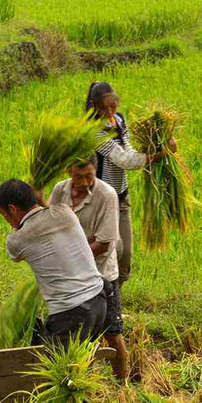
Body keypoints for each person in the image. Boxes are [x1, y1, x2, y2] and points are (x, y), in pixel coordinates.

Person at [0, 178, 106, 346]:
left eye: (4, 214)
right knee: (78, 360)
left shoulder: (17, 240)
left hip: (71, 312)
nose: (6, 219)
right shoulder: (65, 212)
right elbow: (45, 214)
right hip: (99, 300)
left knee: (54, 368)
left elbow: (16, 253)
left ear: (12, 209)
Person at [86, 82, 176, 286]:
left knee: (125, 253)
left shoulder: (119, 120)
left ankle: (116, 301)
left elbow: (129, 151)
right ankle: (103, 300)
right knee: (112, 251)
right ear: (95, 107)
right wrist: (159, 155)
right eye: (103, 108)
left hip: (121, 196)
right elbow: (123, 160)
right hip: (102, 200)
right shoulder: (93, 131)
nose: (109, 111)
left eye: (113, 105)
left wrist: (156, 147)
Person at [48, 155, 128, 378]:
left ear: (95, 171)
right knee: (80, 335)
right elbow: (50, 225)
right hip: (69, 276)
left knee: (112, 332)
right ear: (68, 172)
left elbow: (103, 244)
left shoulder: (106, 195)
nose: (84, 183)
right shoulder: (60, 191)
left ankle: (123, 387)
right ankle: (84, 381)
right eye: (78, 177)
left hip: (100, 274)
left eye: (89, 176)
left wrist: (70, 259)